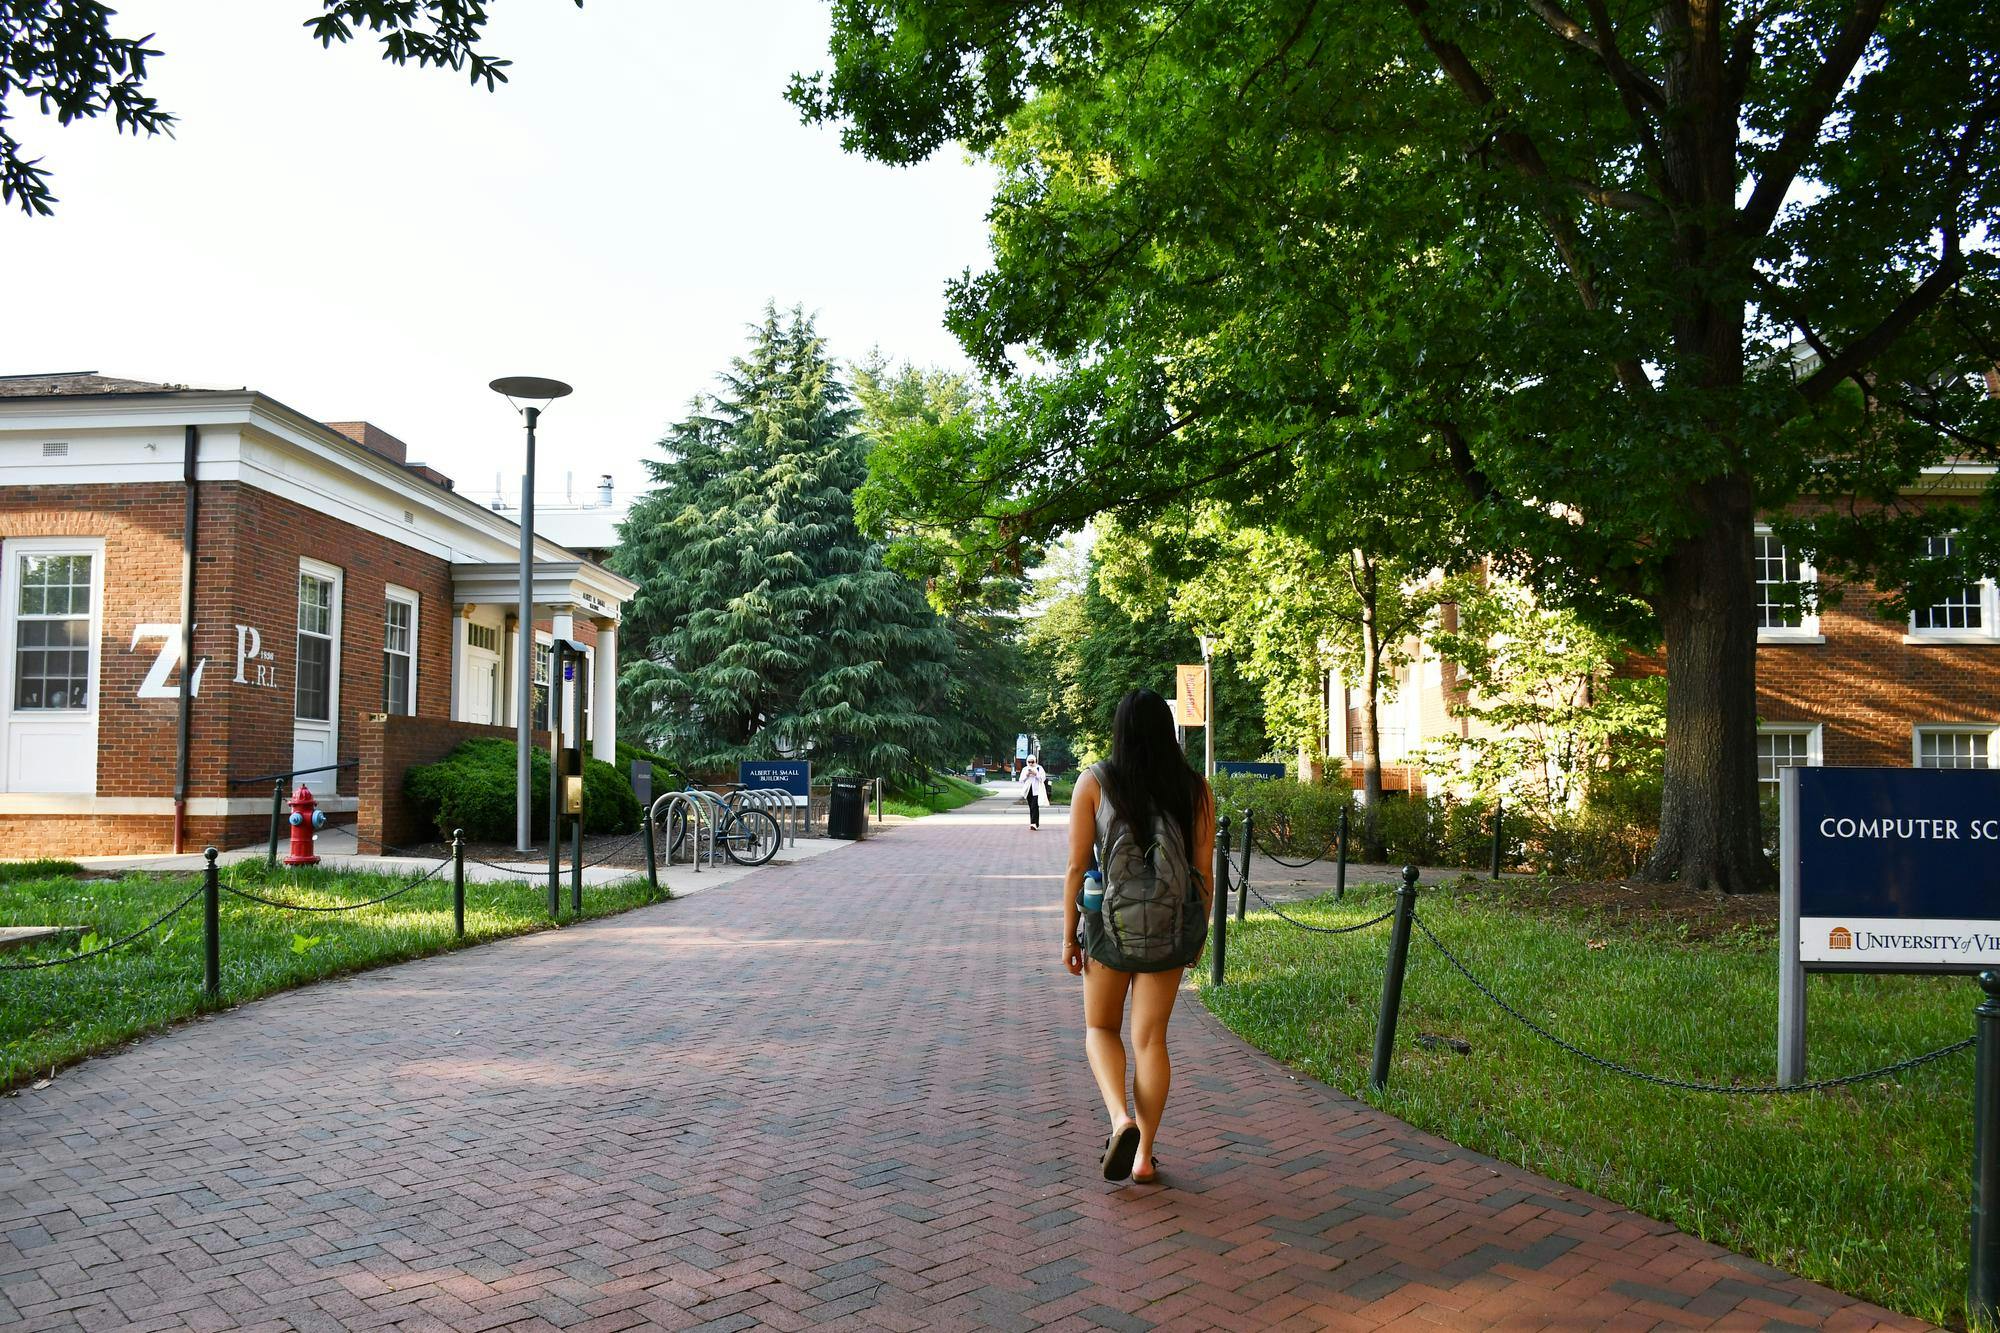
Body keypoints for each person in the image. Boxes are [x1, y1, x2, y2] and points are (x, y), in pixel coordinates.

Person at [1061, 688, 1215, 1185]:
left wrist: (1069, 936)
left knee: (1100, 1030)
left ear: (1119, 731)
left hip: (1108, 928)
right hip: (1168, 929)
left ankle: (1119, 1119)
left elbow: (1074, 868)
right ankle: (1145, 1155)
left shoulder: (1093, 782)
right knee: (1151, 1040)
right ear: (1165, 732)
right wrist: (1196, 935)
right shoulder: (1194, 788)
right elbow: (1204, 874)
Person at [1021, 755, 1050, 831]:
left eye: (1032, 762)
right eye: (1029, 762)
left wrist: (1035, 774)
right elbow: (1021, 780)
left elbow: (1042, 778)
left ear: (1035, 761)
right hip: (1028, 790)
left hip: (1037, 790)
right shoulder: (1025, 769)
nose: (1030, 763)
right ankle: (1034, 823)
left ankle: (1033, 823)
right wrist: (1027, 775)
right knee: (1031, 807)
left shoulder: (1039, 768)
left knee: (1034, 806)